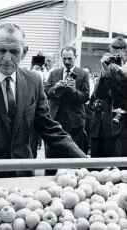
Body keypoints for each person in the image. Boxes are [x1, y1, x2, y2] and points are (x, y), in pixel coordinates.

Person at [0, 23, 87, 180]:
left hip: (23, 178)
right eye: (1, 50)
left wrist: (87, 164)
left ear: (24, 52)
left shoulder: (33, 81)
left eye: (14, 51)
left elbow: (49, 129)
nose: (7, 58)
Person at [44, 46, 90, 175]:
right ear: (61, 58)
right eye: (64, 59)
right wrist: (55, 87)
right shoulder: (54, 73)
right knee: (52, 154)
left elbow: (85, 97)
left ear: (75, 57)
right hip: (56, 119)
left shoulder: (83, 74)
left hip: (74, 121)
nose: (67, 62)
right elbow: (46, 92)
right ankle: (50, 178)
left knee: (74, 154)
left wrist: (73, 90)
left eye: (70, 58)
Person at [96, 37, 127, 157]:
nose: (116, 60)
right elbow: (98, 94)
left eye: (119, 57)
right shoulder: (109, 69)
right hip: (111, 122)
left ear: (126, 52)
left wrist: (122, 73)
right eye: (113, 57)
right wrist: (104, 71)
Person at [90, 53, 116, 159]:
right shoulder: (102, 77)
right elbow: (95, 95)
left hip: (112, 126)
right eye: (104, 63)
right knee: (95, 162)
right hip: (97, 125)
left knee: (110, 161)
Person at [83, 67, 95, 154]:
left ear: (90, 74)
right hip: (82, 106)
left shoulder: (91, 82)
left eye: (86, 73)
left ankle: (89, 147)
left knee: (89, 126)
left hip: (89, 106)